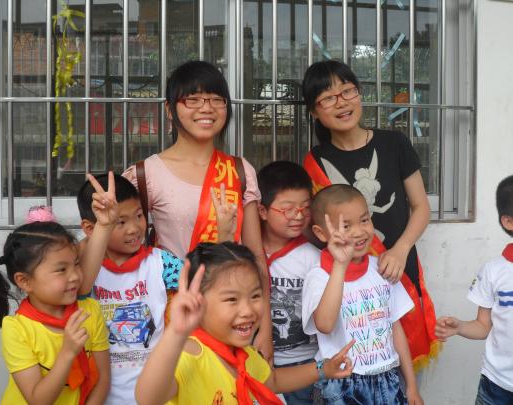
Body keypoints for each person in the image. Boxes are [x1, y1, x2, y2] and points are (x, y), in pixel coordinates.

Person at [122, 60, 272, 360]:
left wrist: (265, 328)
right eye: (193, 99)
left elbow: (256, 255)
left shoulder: (238, 171)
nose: (207, 108)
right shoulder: (145, 174)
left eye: (216, 99)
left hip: (231, 314)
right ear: (170, 109)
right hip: (171, 313)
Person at [301, 60, 438, 369]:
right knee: (363, 361)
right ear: (314, 111)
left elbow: (421, 207)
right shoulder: (315, 162)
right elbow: (317, 227)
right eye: (328, 98)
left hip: (399, 268)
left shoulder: (394, 144)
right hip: (349, 282)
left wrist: (401, 250)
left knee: (405, 366)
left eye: (347, 91)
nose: (342, 102)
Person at [135, 242, 355, 405]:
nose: (248, 310)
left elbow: (272, 381)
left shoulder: (244, 354)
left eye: (255, 296)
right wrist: (176, 333)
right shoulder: (190, 353)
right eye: (232, 299)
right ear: (198, 301)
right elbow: (147, 398)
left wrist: (323, 369)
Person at [302, 184, 423, 405]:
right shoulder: (319, 277)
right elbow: (325, 325)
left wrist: (411, 386)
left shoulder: (382, 268)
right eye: (346, 226)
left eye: (364, 220)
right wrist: (340, 265)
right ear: (321, 233)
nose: (359, 231)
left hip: (388, 379)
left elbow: (395, 328)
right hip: (342, 383)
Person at [76, 172, 184, 405]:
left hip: (158, 396)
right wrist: (104, 225)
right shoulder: (83, 269)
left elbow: (204, 290)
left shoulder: (162, 263)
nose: (134, 229)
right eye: (120, 222)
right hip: (101, 397)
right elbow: (81, 289)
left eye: (139, 216)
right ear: (90, 228)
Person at [0, 221, 110, 405]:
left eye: (76, 264)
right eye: (61, 270)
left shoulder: (90, 311)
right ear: (24, 281)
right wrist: (67, 352)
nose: (75, 276)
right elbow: (38, 400)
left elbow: (103, 379)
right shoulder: (17, 329)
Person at [435, 175, 513, 405]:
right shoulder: (493, 271)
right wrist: (459, 326)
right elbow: (483, 326)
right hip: (498, 386)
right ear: (508, 222)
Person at [257, 161, 320, 405]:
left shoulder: (313, 258)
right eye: (288, 209)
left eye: (305, 207)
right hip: (257, 363)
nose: (299, 216)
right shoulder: (247, 253)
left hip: (303, 367)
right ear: (262, 211)